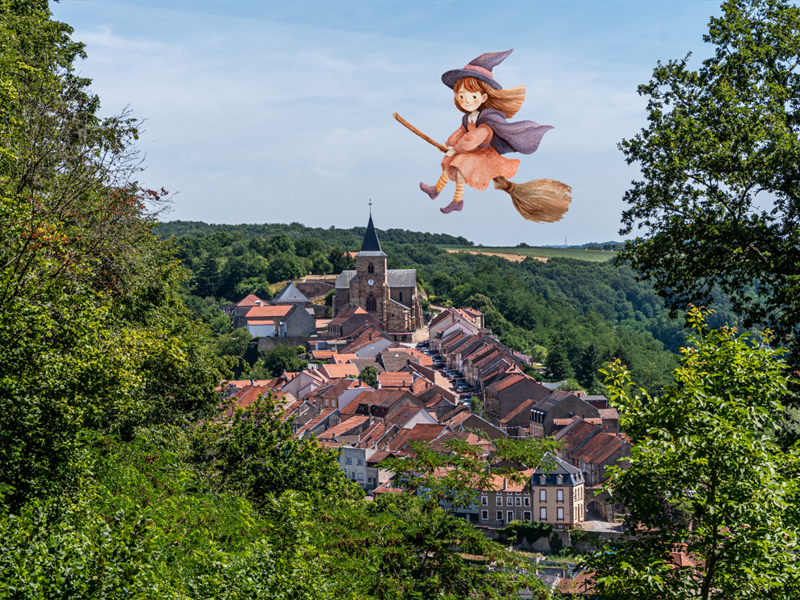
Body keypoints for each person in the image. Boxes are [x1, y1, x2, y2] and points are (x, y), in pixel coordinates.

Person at [420, 50, 553, 214]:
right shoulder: (468, 118)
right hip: (469, 151)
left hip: (482, 155)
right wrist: (449, 144)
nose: (466, 101)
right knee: (449, 162)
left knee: (460, 164)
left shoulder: (488, 119)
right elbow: (460, 132)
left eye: (472, 97)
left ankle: (457, 200)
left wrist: (457, 148)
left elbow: (475, 137)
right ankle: (436, 190)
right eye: (462, 96)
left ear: (483, 97)